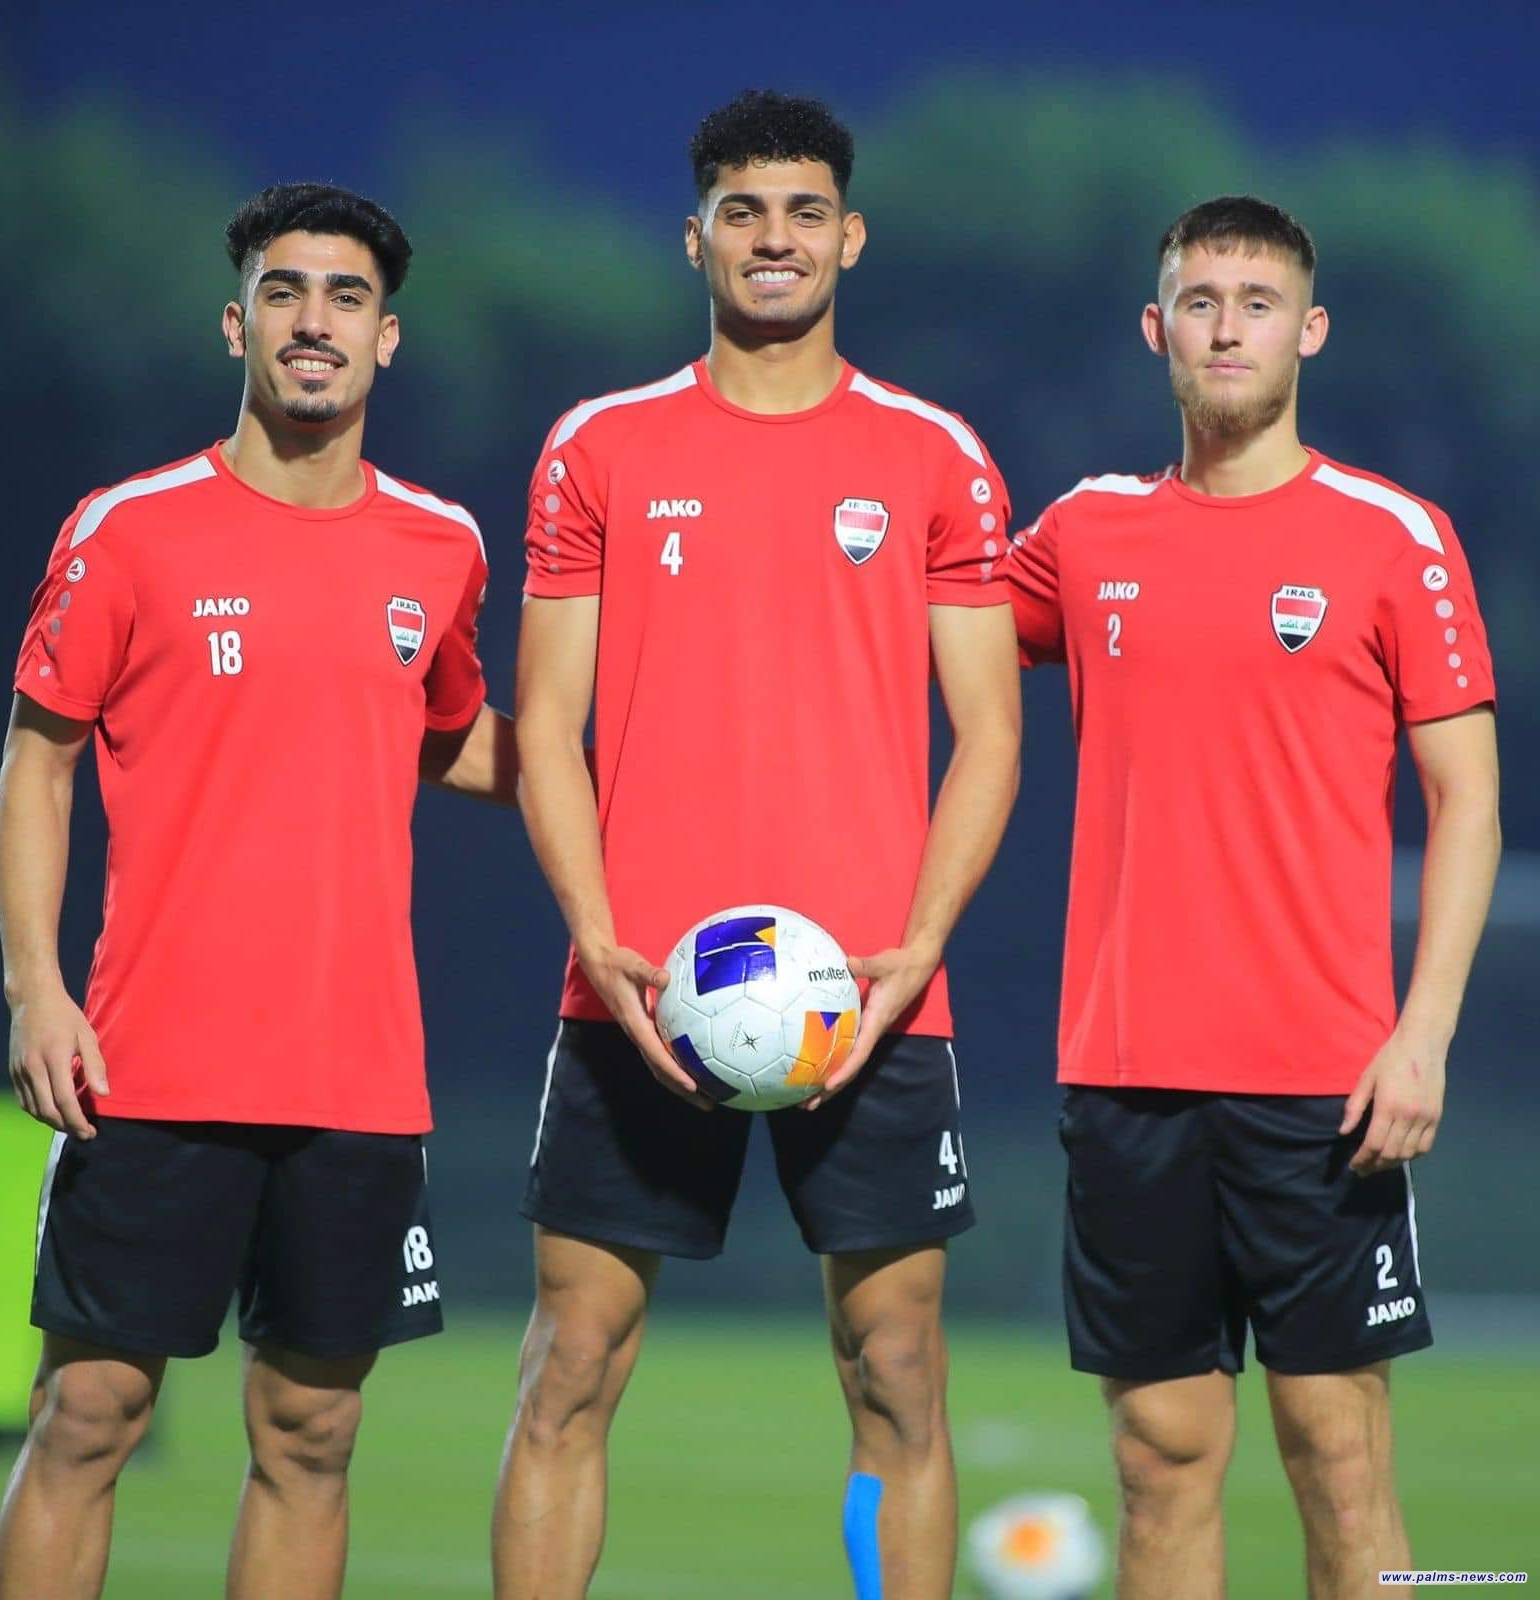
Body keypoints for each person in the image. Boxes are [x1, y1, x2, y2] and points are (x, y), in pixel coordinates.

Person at [496, 90, 1022, 1600]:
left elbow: (990, 734)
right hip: (640, 982)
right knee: (570, 1365)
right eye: (743, 211)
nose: (773, 238)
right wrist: (597, 937)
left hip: (868, 990)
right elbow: (546, 728)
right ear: (697, 238)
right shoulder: (599, 446)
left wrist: (919, 948)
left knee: (899, 1373)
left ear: (849, 238)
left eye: (803, 212)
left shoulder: (933, 454)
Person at [0, 181, 515, 1600]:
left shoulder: (442, 545)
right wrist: (37, 990)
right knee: (87, 1415)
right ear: (238, 324)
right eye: (284, 292)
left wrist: (626, 781)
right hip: (150, 1061)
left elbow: (451, 737)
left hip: (356, 1073)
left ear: (387, 338)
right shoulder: (129, 530)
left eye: (347, 297)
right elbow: (37, 764)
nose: (313, 322)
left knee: (312, 1435)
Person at [1002, 195, 1501, 1599]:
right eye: (1201, 301)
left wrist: (1423, 1037)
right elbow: (911, 625)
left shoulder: (1394, 535)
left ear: (1310, 331)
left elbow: (1468, 802)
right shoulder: (1086, 531)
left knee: (1337, 1453)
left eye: (1259, 303)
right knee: (1160, 1459)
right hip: (1127, 1072)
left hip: (1325, 1084)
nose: (1228, 328)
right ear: (1157, 329)